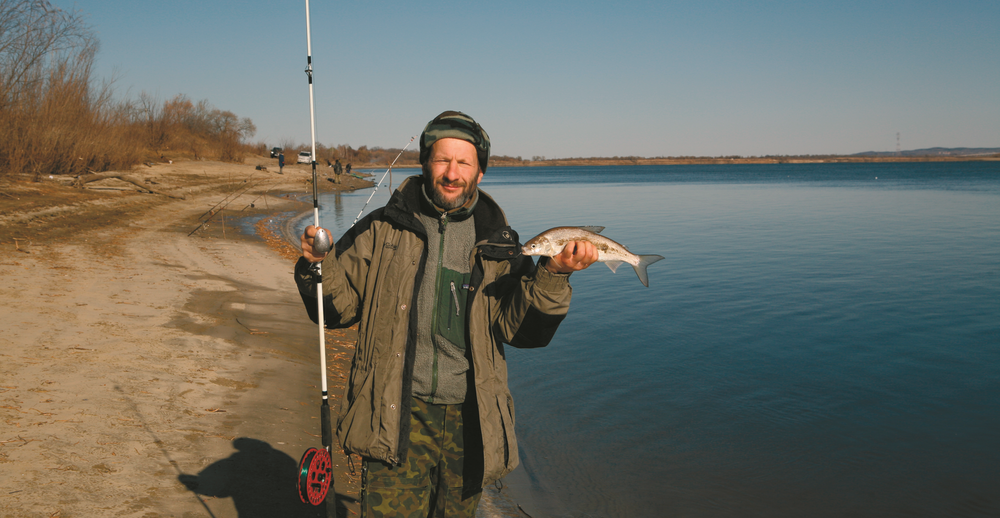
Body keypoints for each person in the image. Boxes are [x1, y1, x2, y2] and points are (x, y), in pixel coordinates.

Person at [295, 111, 597, 517]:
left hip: (469, 423)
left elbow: (523, 332)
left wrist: (555, 275)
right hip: (393, 416)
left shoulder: (500, 243)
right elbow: (337, 311)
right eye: (442, 160)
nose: (452, 173)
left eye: (464, 163)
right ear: (425, 164)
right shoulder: (381, 228)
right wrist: (318, 265)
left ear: (480, 172)